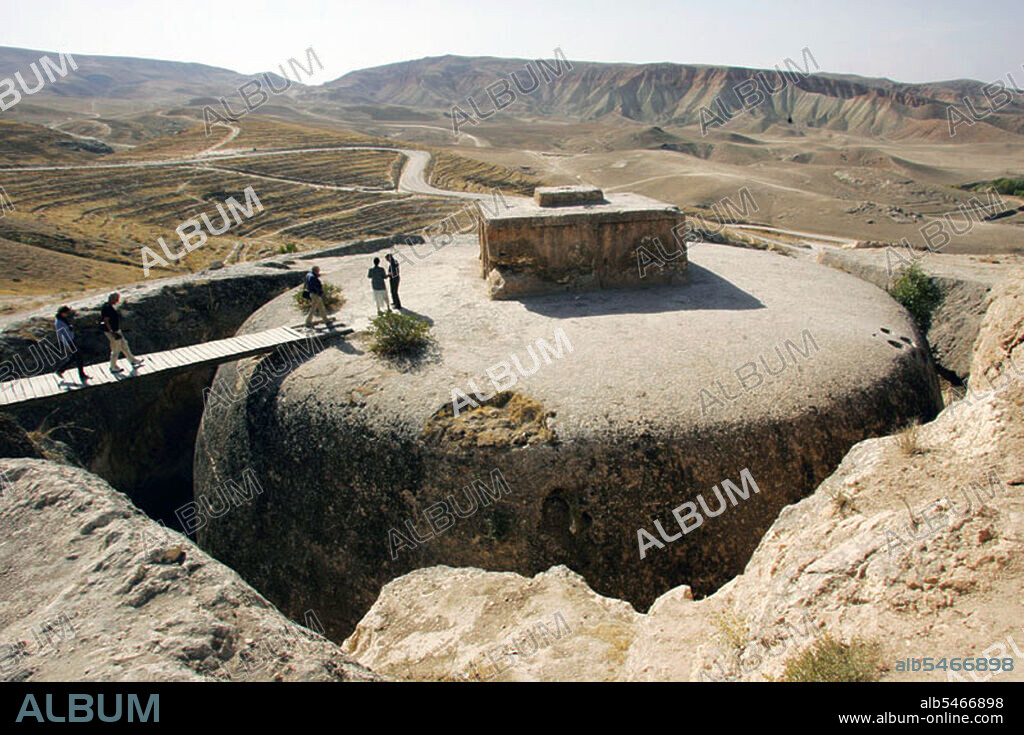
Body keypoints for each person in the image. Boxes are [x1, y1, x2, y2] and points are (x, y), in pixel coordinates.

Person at [100, 292, 143, 372]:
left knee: (124, 345)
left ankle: (133, 360)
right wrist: (112, 332)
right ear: (112, 299)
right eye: (116, 299)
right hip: (112, 331)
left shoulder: (109, 306)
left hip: (116, 330)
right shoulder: (106, 308)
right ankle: (113, 367)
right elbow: (106, 321)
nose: (117, 301)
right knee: (116, 349)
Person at [53, 306, 88, 384]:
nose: (68, 314)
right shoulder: (58, 323)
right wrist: (66, 345)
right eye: (67, 313)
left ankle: (60, 370)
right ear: (62, 313)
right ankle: (82, 375)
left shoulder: (63, 319)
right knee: (79, 357)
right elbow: (60, 335)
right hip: (68, 342)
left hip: (72, 339)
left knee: (74, 357)